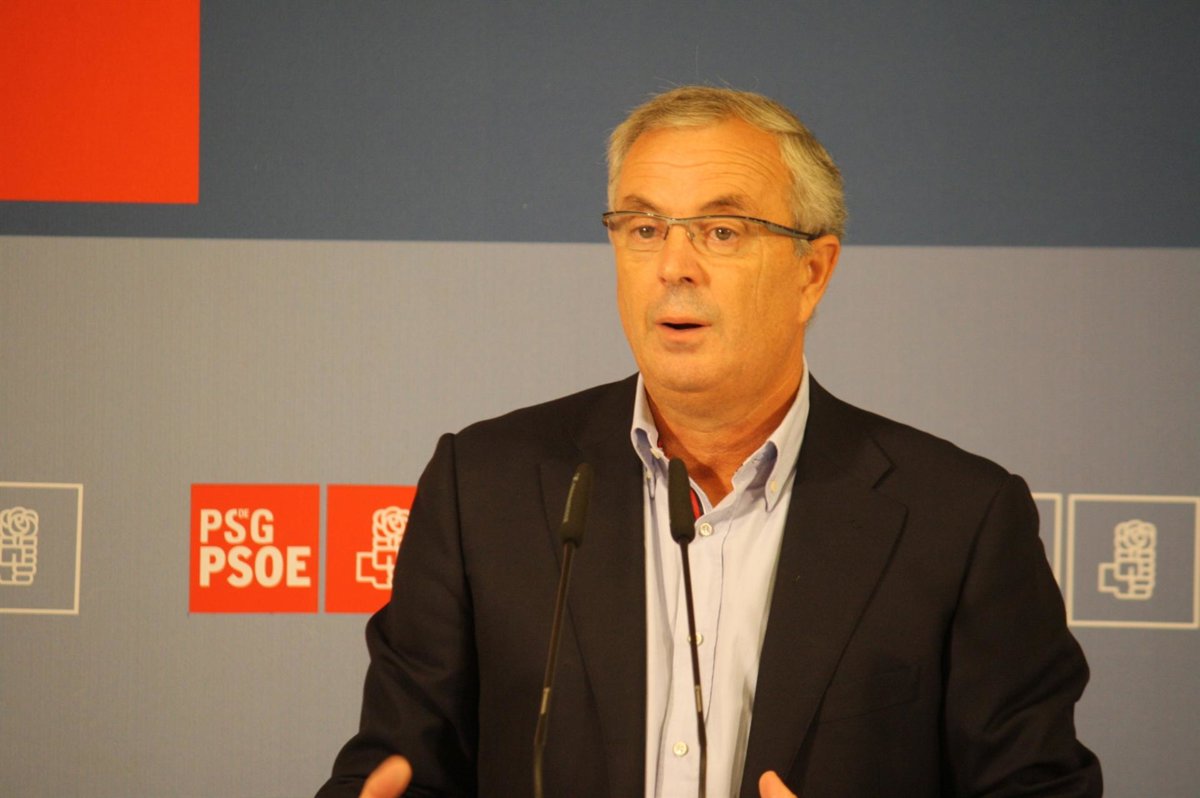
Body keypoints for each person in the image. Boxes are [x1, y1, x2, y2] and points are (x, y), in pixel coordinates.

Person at [317, 86, 1102, 798]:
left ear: (812, 272)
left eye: (721, 231)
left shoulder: (959, 520)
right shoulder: (485, 487)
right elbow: (395, 766)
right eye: (644, 228)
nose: (673, 266)